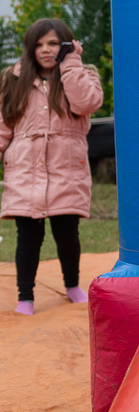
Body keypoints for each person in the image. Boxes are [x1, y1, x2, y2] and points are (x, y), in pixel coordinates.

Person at [1, 19, 104, 315]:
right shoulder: (12, 80)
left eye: (54, 43)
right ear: (30, 49)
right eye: (39, 44)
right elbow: (3, 125)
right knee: (28, 235)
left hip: (66, 170)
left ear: (67, 46)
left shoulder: (83, 75)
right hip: (24, 169)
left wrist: (71, 64)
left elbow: (86, 103)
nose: (46, 50)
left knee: (67, 231)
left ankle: (72, 285)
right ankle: (25, 297)